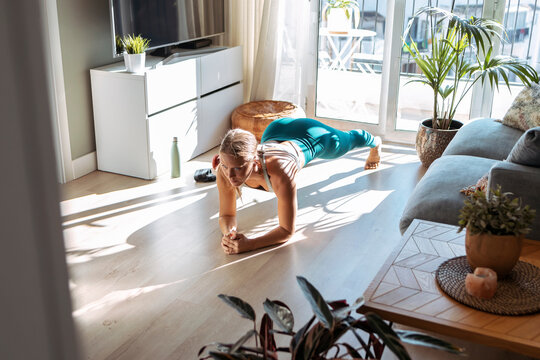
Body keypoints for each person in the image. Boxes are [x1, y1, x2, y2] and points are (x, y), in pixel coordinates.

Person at [212, 117, 381, 255]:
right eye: (226, 167)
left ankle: (375, 142)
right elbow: (226, 215)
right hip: (275, 129)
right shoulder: (224, 170)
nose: (230, 175)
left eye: (238, 168)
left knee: (347, 142)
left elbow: (286, 230)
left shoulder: (280, 172)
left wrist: (251, 244)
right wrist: (229, 234)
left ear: (254, 162)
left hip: (311, 135)